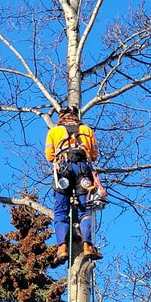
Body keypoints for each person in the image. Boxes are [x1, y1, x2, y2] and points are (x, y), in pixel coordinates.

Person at [45, 105, 103, 264]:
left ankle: (62, 248)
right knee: (86, 209)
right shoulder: (87, 130)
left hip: (63, 169)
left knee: (60, 210)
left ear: (61, 117)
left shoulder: (54, 132)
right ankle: (87, 246)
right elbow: (94, 155)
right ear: (76, 116)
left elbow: (50, 156)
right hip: (82, 170)